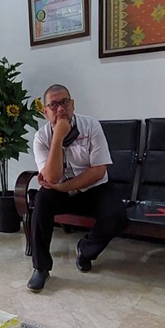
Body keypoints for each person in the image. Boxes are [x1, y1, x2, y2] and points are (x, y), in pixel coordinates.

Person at [26, 84, 127, 292]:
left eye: (64, 102)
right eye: (53, 105)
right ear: (45, 112)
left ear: (72, 104)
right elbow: (52, 177)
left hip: (94, 188)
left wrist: (64, 187)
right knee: (41, 202)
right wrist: (58, 136)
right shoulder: (41, 138)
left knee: (117, 215)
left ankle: (86, 249)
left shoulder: (91, 126)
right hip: (60, 190)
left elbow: (98, 171)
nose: (60, 108)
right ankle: (41, 268)